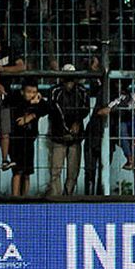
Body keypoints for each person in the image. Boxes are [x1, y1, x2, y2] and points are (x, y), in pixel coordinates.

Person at [0, 26, 26, 171]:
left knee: (5, 130)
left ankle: (5, 159)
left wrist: (4, 69)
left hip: (6, 97)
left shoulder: (9, 51)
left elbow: (21, 67)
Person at [46, 65, 90, 196]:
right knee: (55, 171)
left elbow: (85, 109)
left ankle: (68, 196)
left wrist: (76, 122)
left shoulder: (82, 91)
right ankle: (56, 198)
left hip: (75, 137)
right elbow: (54, 111)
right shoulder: (54, 91)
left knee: (73, 172)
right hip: (59, 136)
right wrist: (65, 129)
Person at [8, 79, 48, 197]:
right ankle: (15, 198)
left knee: (27, 173)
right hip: (16, 142)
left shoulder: (38, 103)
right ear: (22, 92)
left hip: (29, 142)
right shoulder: (17, 101)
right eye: (29, 92)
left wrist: (33, 114)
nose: (31, 95)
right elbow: (19, 115)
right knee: (17, 171)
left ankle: (24, 198)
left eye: (34, 92)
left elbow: (47, 108)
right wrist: (31, 105)